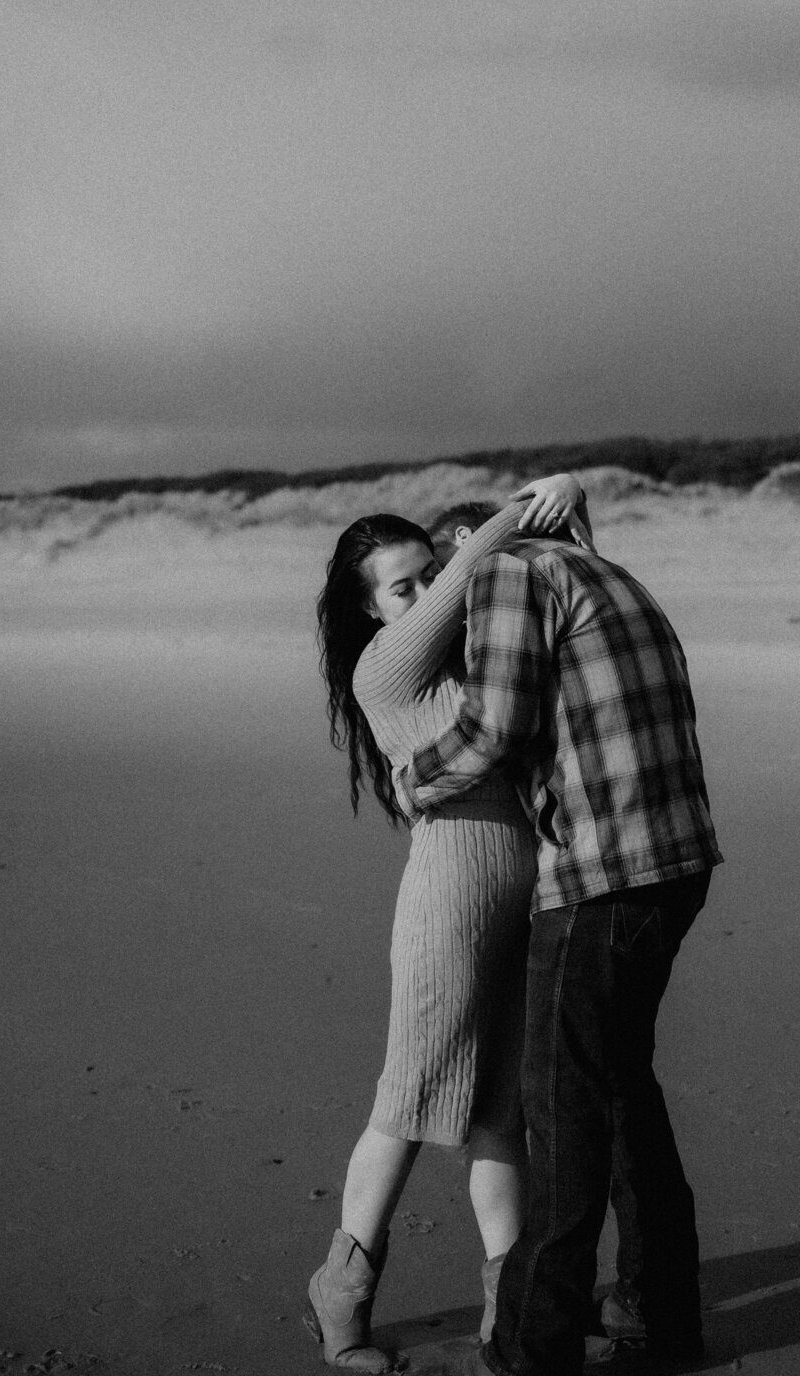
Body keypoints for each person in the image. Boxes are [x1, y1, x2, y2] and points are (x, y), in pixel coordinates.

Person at [402, 525, 723, 1376]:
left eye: (445, 573)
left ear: (471, 544)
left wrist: (412, 778)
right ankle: (661, 1320)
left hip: (601, 877)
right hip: (677, 862)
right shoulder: (606, 570)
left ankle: (525, 1353)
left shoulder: (504, 571)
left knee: (562, 1119)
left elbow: (492, 727)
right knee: (624, 1098)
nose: (444, 595)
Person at [307, 473, 589, 1373]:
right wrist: (517, 513)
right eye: (403, 587)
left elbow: (563, 582)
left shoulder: (479, 664)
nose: (427, 594)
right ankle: (340, 1296)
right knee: (406, 1102)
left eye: (428, 572)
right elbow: (480, 568)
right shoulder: (383, 668)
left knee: (501, 1115)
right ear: (375, 613)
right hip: (447, 908)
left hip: (525, 895)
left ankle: (509, 1319)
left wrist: (575, 502)